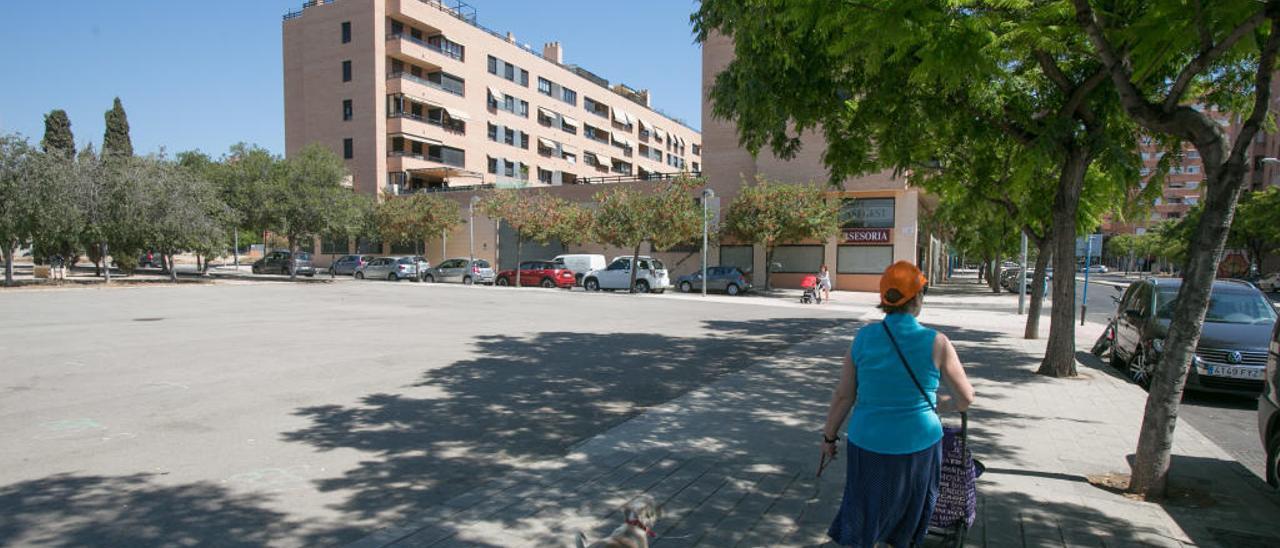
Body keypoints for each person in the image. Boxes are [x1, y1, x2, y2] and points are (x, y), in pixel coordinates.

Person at [820, 260, 975, 547]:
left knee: (865, 510)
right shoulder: (937, 342)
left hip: (868, 443)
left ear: (884, 300)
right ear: (917, 298)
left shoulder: (863, 338)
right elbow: (965, 398)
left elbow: (844, 395)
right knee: (909, 516)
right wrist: (938, 404)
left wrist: (829, 436)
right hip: (919, 446)